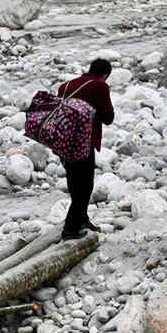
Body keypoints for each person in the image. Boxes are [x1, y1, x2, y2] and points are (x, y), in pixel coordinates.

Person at [57, 58, 115, 240]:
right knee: (85, 186)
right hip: (83, 142)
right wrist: (107, 94)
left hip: (62, 141)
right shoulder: (100, 87)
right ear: (104, 76)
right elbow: (108, 118)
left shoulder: (65, 86)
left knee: (74, 182)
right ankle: (70, 230)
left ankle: (82, 219)